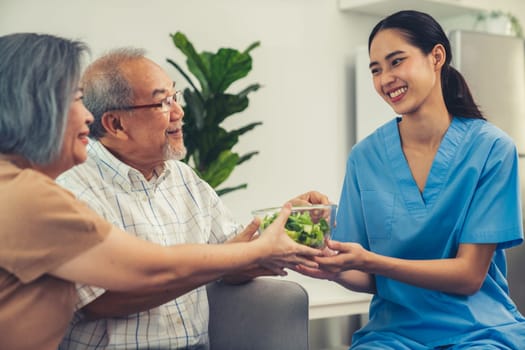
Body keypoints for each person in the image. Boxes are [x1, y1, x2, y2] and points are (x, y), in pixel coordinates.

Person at [0, 33, 322, 350]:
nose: (88, 116)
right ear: (37, 107)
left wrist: (284, 222)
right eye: (75, 99)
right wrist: (257, 250)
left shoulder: (23, 187)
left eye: (175, 97)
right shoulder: (29, 195)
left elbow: (220, 253)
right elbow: (151, 268)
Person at [297, 10, 525, 349]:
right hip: (393, 335)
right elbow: (366, 276)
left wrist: (370, 260)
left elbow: (468, 276)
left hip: (479, 332)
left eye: (396, 62)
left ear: (436, 57)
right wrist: (328, 262)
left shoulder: (492, 149)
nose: (385, 78)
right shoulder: (365, 157)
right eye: (376, 70)